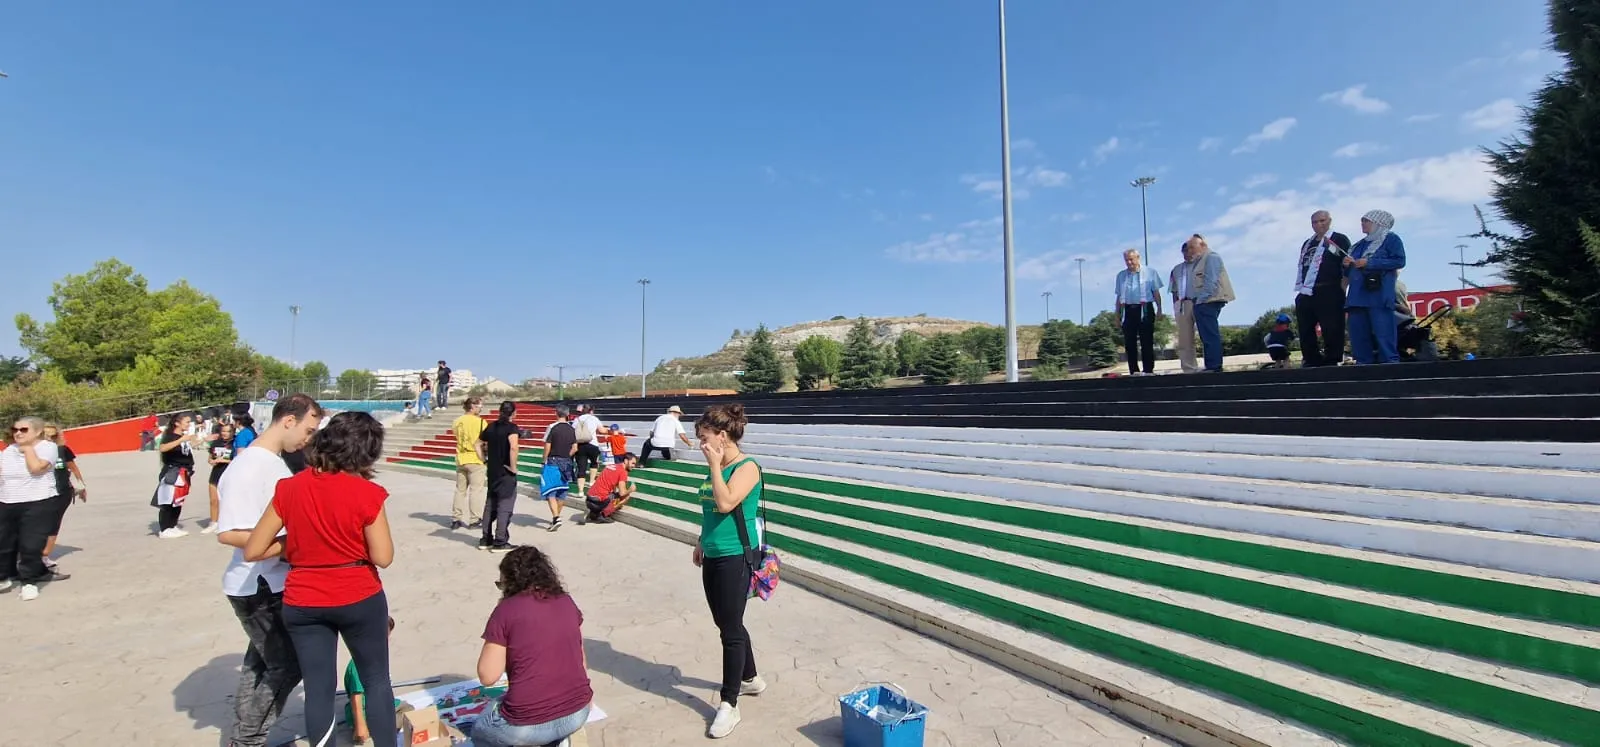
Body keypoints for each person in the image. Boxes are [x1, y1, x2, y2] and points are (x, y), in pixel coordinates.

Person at [243, 411, 395, 747]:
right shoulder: (367, 493)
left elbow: (253, 549)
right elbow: (383, 556)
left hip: (304, 598)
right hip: (358, 593)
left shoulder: (289, 488)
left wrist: (295, 541)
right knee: (376, 681)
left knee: (318, 688)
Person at [215, 393, 323, 747]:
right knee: (287, 666)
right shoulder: (251, 468)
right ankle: (248, 740)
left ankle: (243, 736)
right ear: (288, 420)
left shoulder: (272, 463)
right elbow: (230, 533)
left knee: (260, 664)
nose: (307, 439)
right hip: (258, 585)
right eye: (307, 430)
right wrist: (294, 544)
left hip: (269, 580)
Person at [692, 403, 768, 739]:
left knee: (730, 630)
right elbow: (711, 511)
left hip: (736, 556)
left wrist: (713, 466)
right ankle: (751, 678)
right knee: (726, 622)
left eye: (705, 438)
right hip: (712, 553)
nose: (701, 445)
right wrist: (700, 540)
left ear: (722, 436)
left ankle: (729, 703)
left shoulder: (747, 467)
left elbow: (725, 503)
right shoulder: (718, 465)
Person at [471, 546, 593, 747]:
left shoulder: (505, 611)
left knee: (481, 729)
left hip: (526, 726)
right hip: (579, 712)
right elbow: (580, 657)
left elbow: (487, 676)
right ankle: (560, 740)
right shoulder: (567, 601)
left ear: (509, 582)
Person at [1, 416, 63, 601]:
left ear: (37, 432)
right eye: (15, 430)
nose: (18, 433)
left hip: (38, 502)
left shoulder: (47, 447)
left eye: (23, 430)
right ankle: (5, 576)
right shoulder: (8, 450)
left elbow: (36, 468)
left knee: (31, 544)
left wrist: (28, 450)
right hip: (7, 502)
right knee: (4, 542)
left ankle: (29, 582)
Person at [1344, 209, 1408, 364]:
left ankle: (1390, 366)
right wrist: (1346, 265)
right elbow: (1349, 271)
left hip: (1378, 295)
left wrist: (1370, 263)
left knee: (1384, 333)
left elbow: (1400, 261)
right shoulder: (1358, 245)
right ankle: (1363, 366)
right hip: (1356, 297)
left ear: (1379, 223)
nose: (1363, 224)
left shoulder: (1391, 240)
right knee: (1358, 335)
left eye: (1366, 221)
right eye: (1362, 220)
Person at [1295, 211, 1353, 367]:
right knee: (1305, 327)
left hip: (1330, 287)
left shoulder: (1338, 238)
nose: (1318, 225)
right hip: (1307, 289)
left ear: (1329, 221)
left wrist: (1343, 285)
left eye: (1322, 221)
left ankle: (1332, 359)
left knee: (1331, 326)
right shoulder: (1308, 243)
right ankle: (1311, 359)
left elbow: (1348, 262)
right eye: (1314, 222)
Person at [1184, 234, 1236, 373]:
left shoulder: (1212, 257)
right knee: (1206, 335)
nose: (1190, 251)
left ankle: (1214, 366)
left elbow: (1210, 282)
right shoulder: (1200, 260)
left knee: (1210, 334)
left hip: (1209, 301)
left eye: (1192, 247)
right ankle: (1211, 365)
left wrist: (1200, 301)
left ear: (1203, 246)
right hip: (1203, 302)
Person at [347, 616, 402, 745]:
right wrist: (360, 727)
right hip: (369, 712)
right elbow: (356, 696)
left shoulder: (372, 654)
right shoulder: (360, 662)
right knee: (408, 713)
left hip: (376, 704)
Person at [476, 401, 522, 552]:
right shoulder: (512, 428)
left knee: (490, 504)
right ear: (513, 413)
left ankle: (485, 538)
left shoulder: (491, 426)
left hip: (492, 471)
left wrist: (483, 459)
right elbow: (514, 447)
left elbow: (477, 444)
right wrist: (513, 468)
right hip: (505, 472)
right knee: (505, 506)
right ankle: (500, 540)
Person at [40, 424, 84, 578]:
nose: (50, 439)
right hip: (40, 494)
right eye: (46, 435)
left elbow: (74, 468)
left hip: (62, 493)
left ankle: (43, 556)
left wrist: (81, 487)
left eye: (53, 436)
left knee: (53, 524)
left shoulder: (62, 450)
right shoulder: (33, 452)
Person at [153, 412, 206, 538]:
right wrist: (181, 440)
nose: (189, 424)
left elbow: (186, 448)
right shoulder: (170, 436)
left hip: (184, 472)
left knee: (178, 501)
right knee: (168, 501)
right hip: (173, 472)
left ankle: (172, 525)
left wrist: (203, 440)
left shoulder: (182, 436)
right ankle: (165, 528)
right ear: (177, 423)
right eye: (187, 422)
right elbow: (163, 448)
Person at [1113, 248, 1165, 375]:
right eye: (1126, 260)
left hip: (1145, 308)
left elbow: (1156, 292)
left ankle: (1148, 370)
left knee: (1146, 340)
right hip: (1128, 309)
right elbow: (1119, 297)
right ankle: (1133, 370)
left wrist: (1159, 309)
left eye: (1131, 259)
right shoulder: (1121, 275)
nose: (1129, 262)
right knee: (1129, 342)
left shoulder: (1150, 272)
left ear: (1138, 258)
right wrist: (1117, 315)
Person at [451, 397, 487, 531]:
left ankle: (456, 518)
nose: (480, 409)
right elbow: (484, 441)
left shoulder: (457, 421)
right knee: (475, 491)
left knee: (460, 490)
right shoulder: (481, 422)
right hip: (476, 458)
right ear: (473, 406)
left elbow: (457, 436)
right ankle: (475, 519)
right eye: (479, 406)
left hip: (461, 457)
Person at [541, 405, 577, 532]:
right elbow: (575, 448)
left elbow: (547, 446)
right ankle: (556, 517)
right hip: (566, 463)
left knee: (550, 491)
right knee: (562, 491)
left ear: (556, 414)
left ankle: (556, 517)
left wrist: (544, 459)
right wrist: (567, 456)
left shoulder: (553, 428)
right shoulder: (571, 429)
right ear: (567, 414)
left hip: (553, 461)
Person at [1169, 241, 1200, 374]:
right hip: (1183, 303)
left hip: (1200, 302)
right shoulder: (1177, 269)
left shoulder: (1202, 266)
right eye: (1185, 251)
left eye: (1191, 250)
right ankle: (1189, 368)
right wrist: (1176, 305)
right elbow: (1173, 290)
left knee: (1206, 335)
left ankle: (1212, 365)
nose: (1188, 253)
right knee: (1185, 338)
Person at [204, 423, 237, 534]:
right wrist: (212, 461)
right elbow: (210, 458)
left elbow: (239, 460)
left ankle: (226, 523)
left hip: (229, 474)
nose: (224, 433)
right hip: (216, 473)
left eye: (227, 431)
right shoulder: (216, 443)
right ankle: (213, 522)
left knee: (227, 501)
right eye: (223, 431)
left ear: (232, 432)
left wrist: (225, 460)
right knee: (214, 500)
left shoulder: (235, 443)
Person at [585, 453, 637, 524]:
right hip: (598, 501)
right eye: (633, 463)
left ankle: (593, 513)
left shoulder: (610, 466)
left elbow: (612, 484)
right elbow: (622, 493)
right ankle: (603, 515)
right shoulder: (623, 472)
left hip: (589, 499)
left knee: (610, 494)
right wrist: (631, 490)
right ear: (625, 461)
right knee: (626, 497)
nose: (634, 466)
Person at [572, 405, 608, 493]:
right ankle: (591, 482)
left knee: (581, 468)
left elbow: (572, 431)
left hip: (580, 446)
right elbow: (602, 430)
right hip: (593, 444)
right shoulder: (594, 419)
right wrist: (607, 430)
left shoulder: (577, 419)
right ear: (590, 411)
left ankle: (580, 491)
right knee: (594, 463)